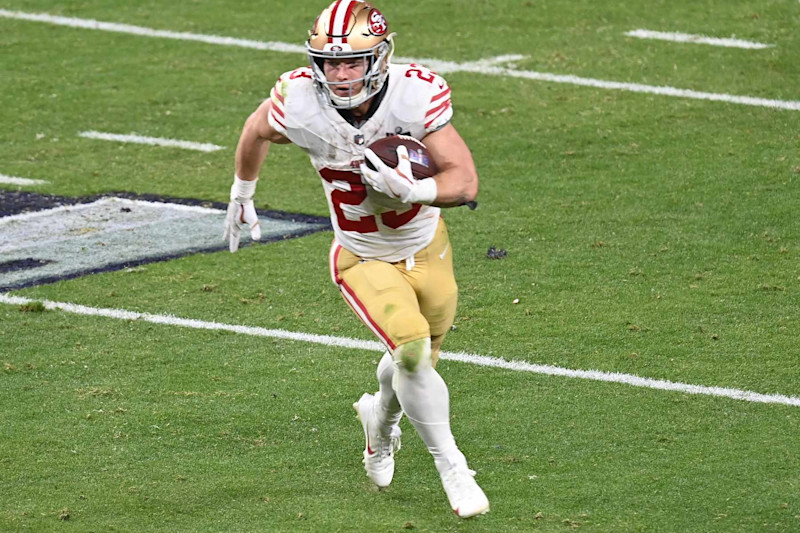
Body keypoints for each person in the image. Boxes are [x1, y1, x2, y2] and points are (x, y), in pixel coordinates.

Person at [223, 0, 489, 518]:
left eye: (352, 62)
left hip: (427, 246)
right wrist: (242, 190)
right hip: (361, 256)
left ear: (380, 58)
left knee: (413, 366)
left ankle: (379, 422)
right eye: (329, 63)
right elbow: (256, 128)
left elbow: (466, 182)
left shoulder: (413, 96)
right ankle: (453, 467)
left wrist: (418, 189)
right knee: (410, 353)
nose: (340, 74)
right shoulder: (299, 100)